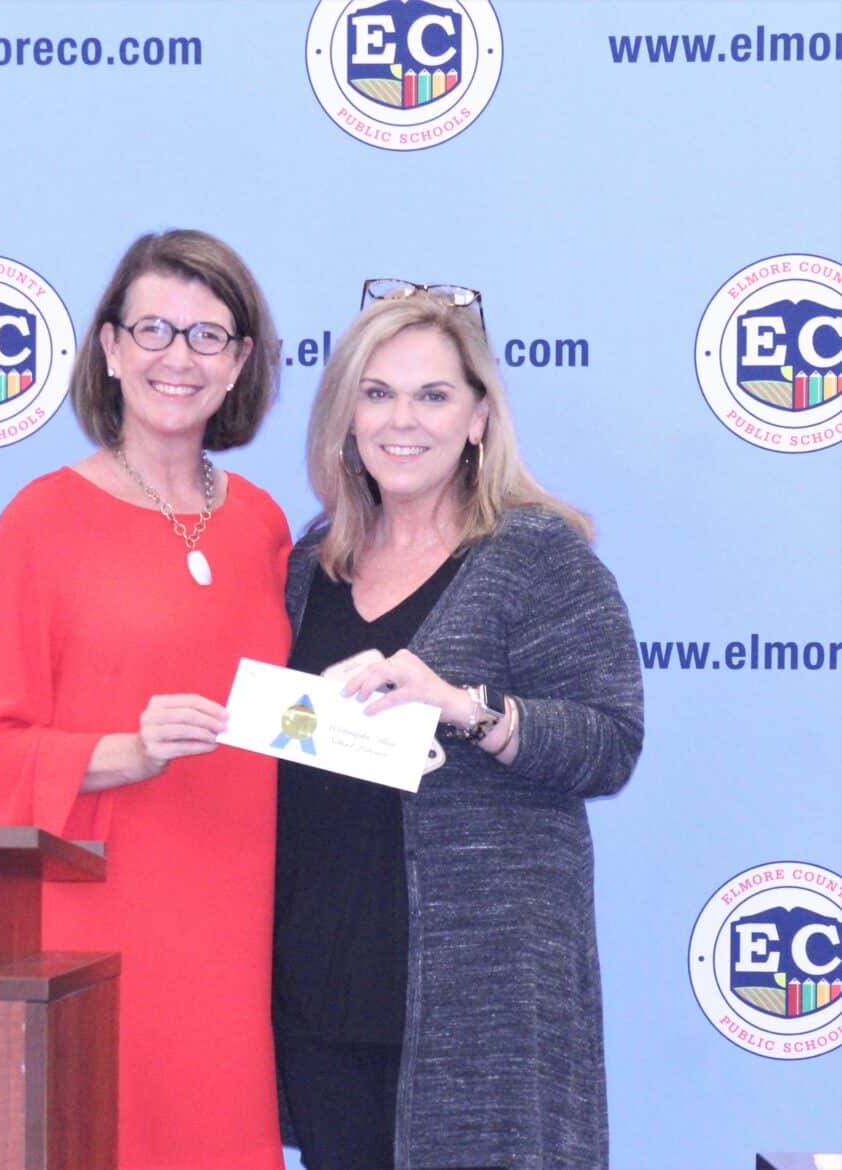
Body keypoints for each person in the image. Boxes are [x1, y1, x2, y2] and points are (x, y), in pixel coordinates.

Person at [0, 230, 291, 1170]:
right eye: (153, 330)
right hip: (91, 927)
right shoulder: (41, 521)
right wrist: (123, 753)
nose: (179, 357)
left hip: (231, 925)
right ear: (108, 348)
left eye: (208, 336)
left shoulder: (264, 525)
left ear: (240, 363)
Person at [273, 281, 644, 1170]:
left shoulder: (536, 554)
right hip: (321, 983)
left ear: (479, 418)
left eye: (433, 395)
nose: (403, 420)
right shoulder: (309, 564)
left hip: (480, 999)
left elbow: (610, 742)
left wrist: (466, 709)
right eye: (378, 393)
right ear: (347, 416)